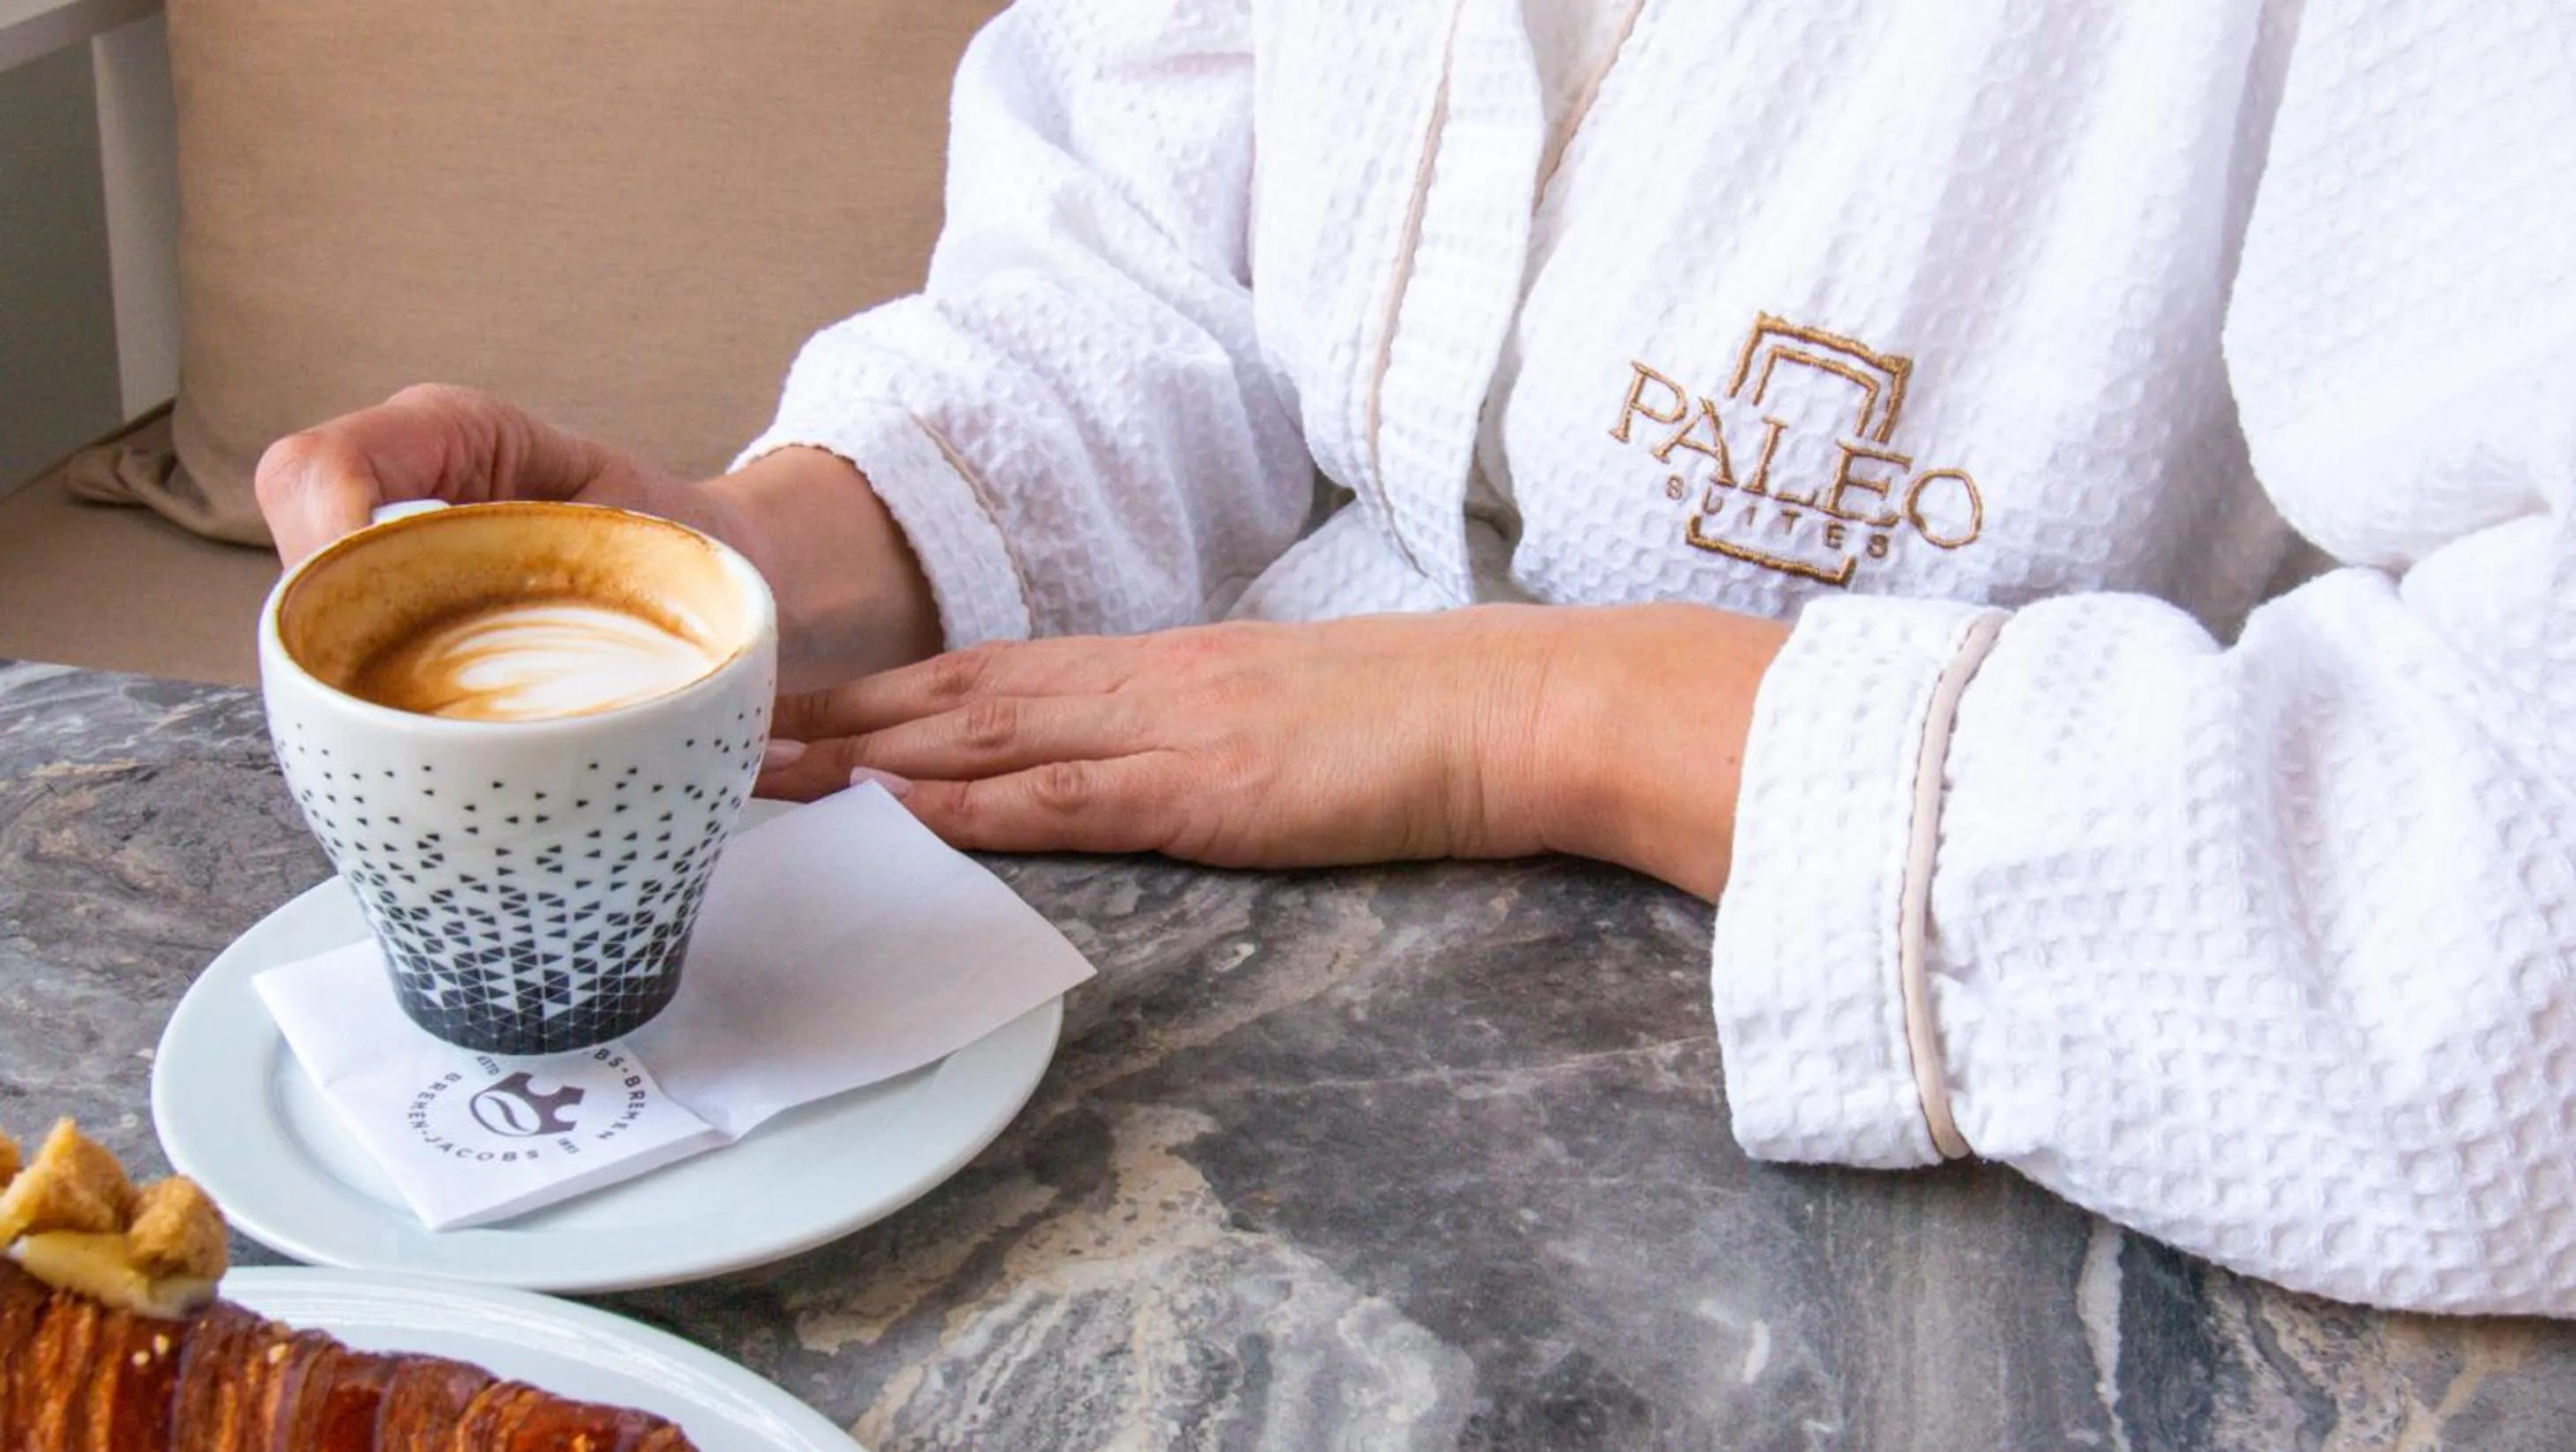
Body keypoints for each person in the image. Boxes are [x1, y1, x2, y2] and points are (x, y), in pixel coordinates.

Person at [256, 0, 2576, 1320]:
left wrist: (1550, 722)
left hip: (2014, 1175)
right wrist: (767, 551)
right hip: (1216, 1028)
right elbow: (1180, 265)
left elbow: (2514, 926)